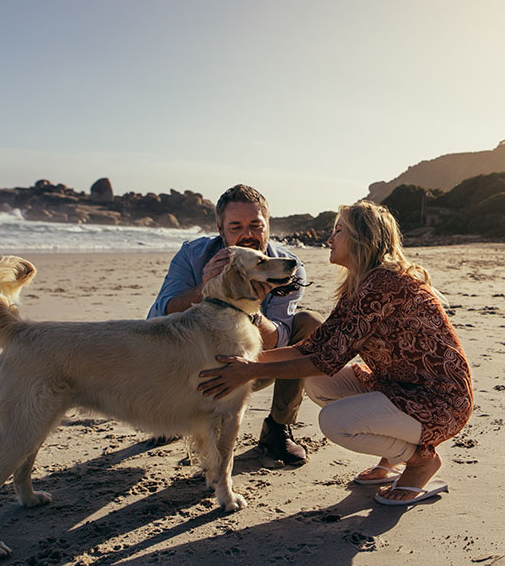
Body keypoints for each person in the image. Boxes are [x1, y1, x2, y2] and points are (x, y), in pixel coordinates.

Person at [198, 201, 473, 506]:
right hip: (398, 388)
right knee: (317, 384)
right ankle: (394, 454)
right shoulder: (361, 283)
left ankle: (421, 461)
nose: (330, 239)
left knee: (335, 422)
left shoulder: (383, 283)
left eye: (338, 231)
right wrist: (246, 361)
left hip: (439, 402)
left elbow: (324, 361)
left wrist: (249, 371)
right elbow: (313, 346)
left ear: (361, 239)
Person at [148, 184, 322, 465]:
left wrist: (252, 309)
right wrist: (206, 286)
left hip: (249, 363)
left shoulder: (286, 267)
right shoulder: (193, 255)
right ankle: (174, 416)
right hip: (191, 364)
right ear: (220, 229)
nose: (247, 235)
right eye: (236, 226)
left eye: (255, 225)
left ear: (268, 224)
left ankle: (277, 428)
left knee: (309, 324)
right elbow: (158, 316)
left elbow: (279, 340)